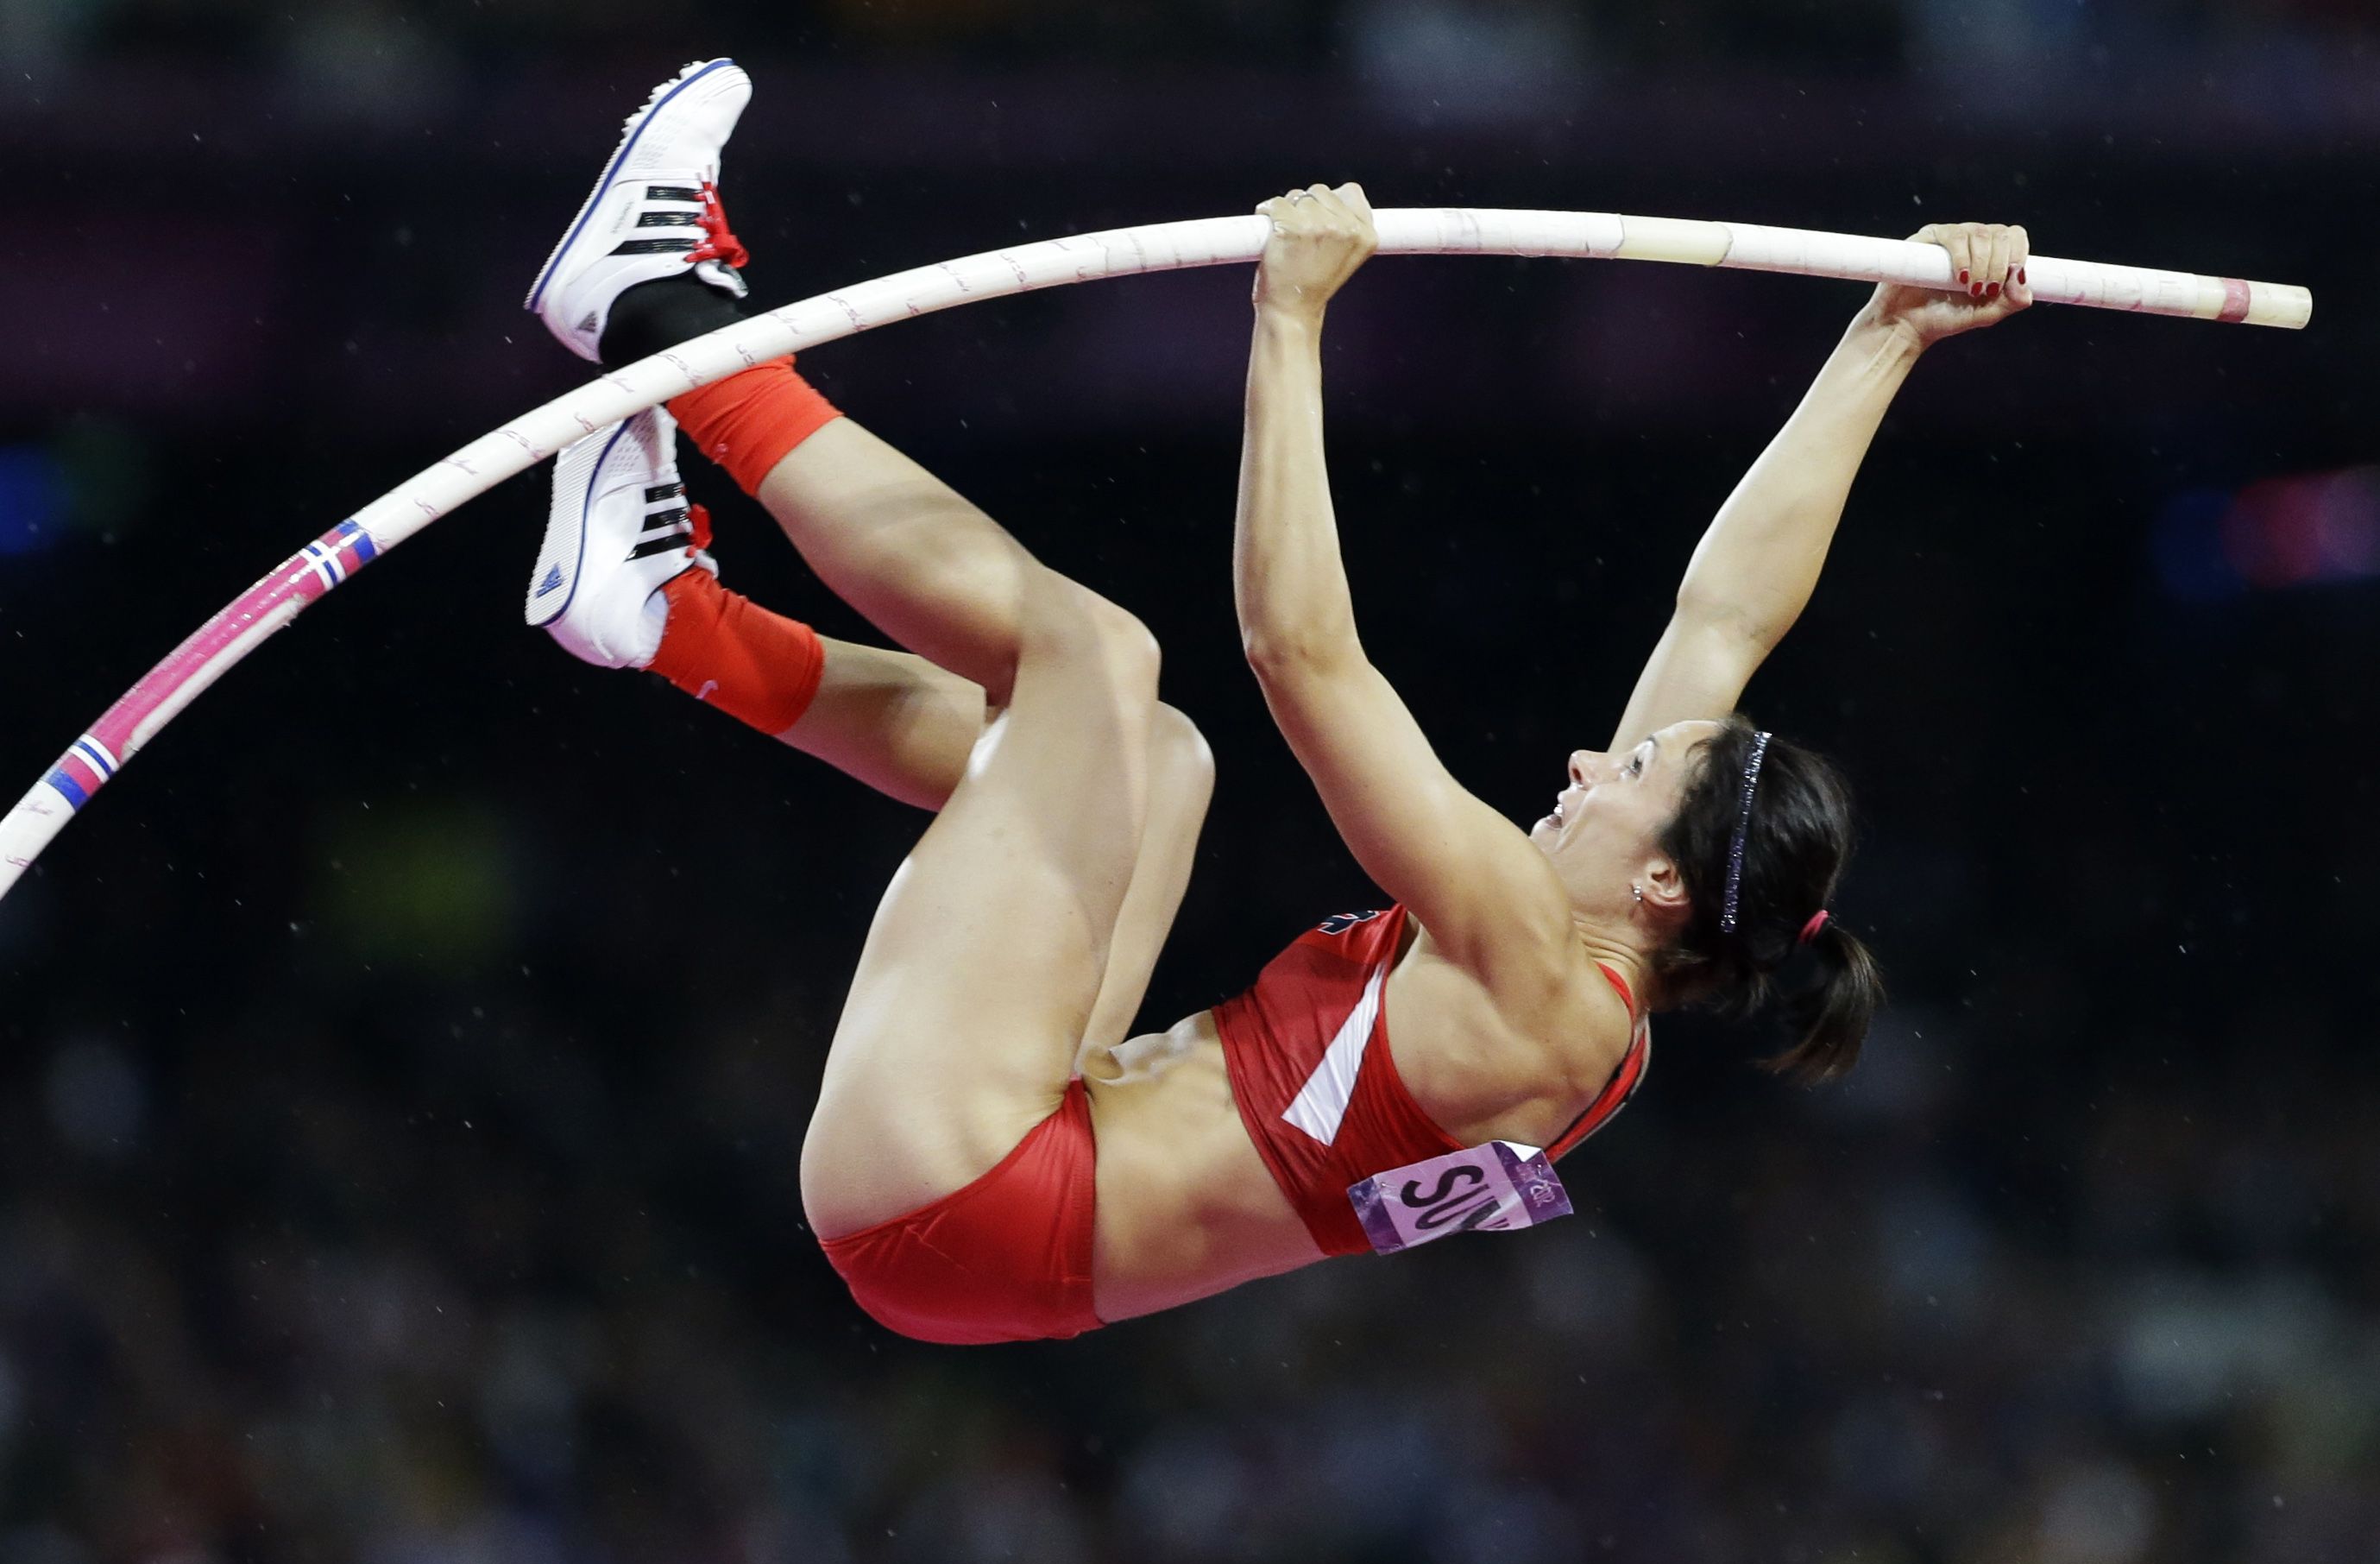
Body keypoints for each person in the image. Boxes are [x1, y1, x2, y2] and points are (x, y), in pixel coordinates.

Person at [522, 60, 2033, 1344]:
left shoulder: (1529, 960)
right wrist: (1882, 336)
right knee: (1152, 758)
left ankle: (661, 321)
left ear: (1656, 877)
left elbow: (1298, 650)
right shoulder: (1600, 1005)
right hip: (1015, 1189)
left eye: (1631, 766)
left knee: (1089, 657)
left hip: (967, 1183)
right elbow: (1723, 614)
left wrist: (1293, 317)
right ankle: (667, 620)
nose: (1585, 758)